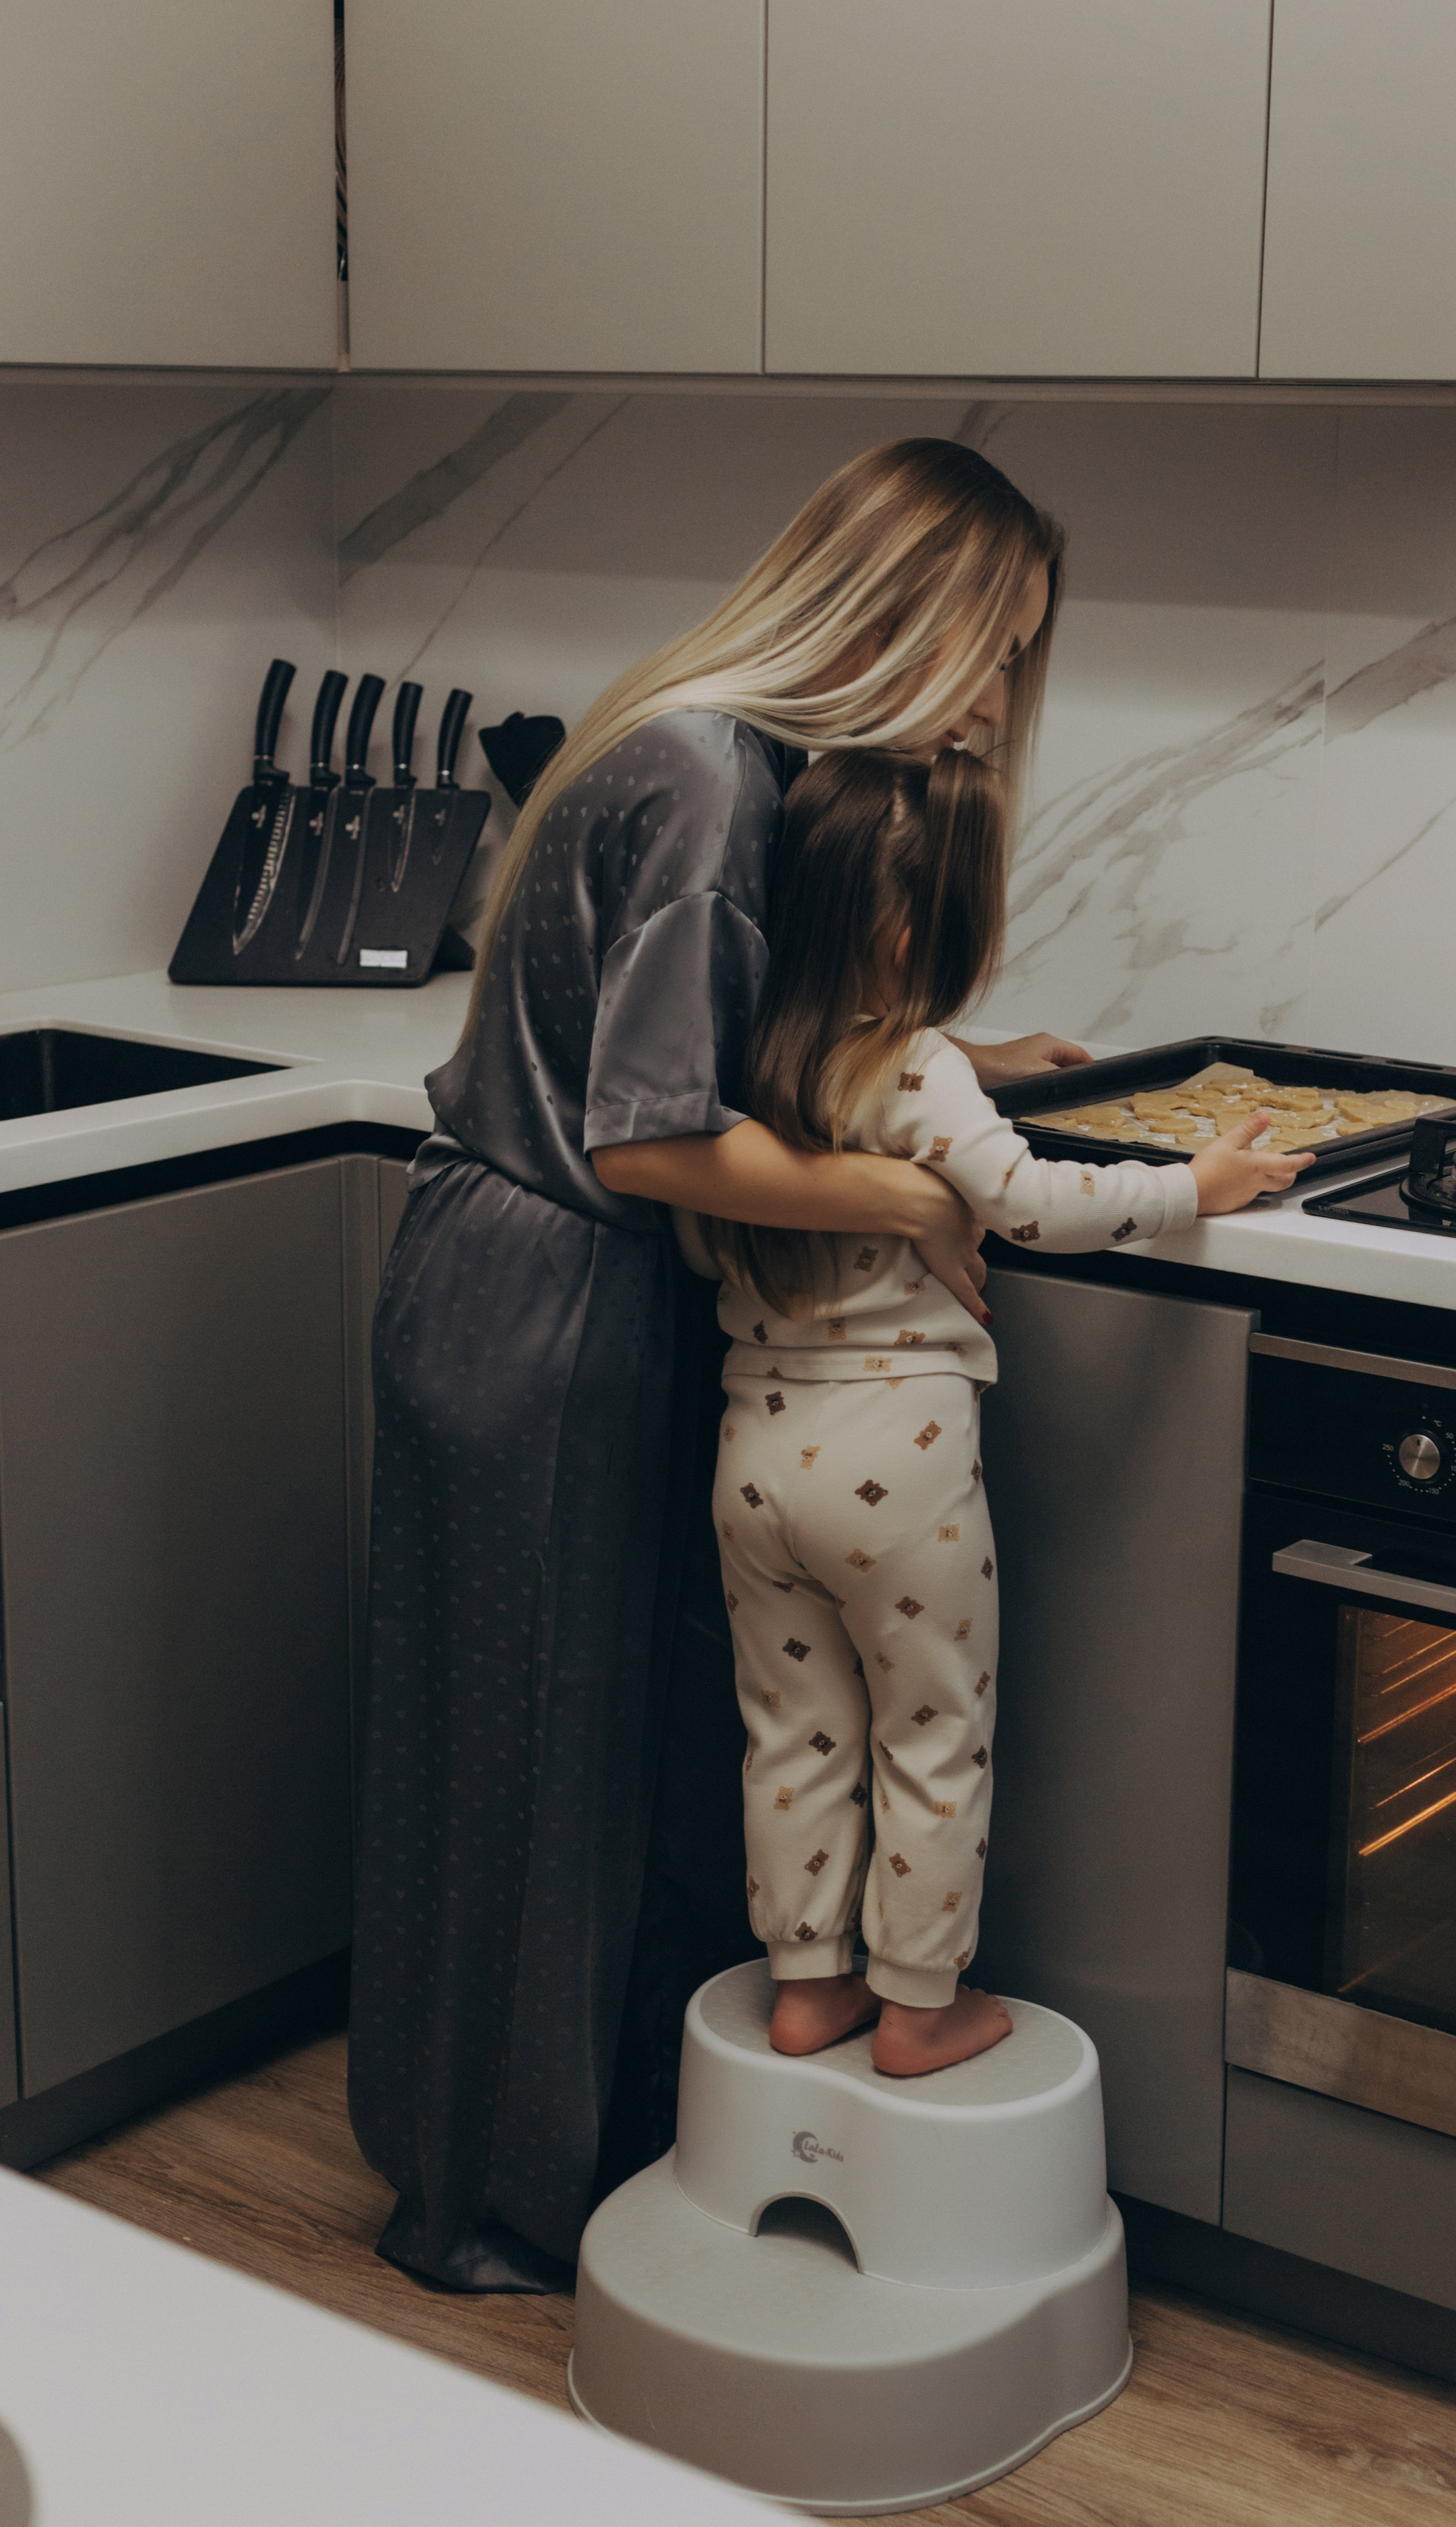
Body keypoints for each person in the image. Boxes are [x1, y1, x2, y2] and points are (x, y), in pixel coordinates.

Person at [348, 438, 1084, 2289]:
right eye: (988, 651)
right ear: (890, 613)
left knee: (547, 1755)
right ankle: (498, 2210)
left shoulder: (720, 750)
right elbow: (653, 1136)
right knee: (544, 1770)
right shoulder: (707, 778)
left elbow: (724, 1046)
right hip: (555, 1304)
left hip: (529, 1288)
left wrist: (957, 1065)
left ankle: (522, 2162)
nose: (994, 703)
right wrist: (910, 1189)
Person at [692, 750, 1311, 2075]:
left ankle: (806, 1985)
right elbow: (1030, 1204)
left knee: (791, 1732)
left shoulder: (739, 1064)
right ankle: (922, 2004)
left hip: (752, 1457)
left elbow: (701, 1232)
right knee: (930, 1734)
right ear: (920, 934)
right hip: (897, 1467)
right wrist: (1191, 1188)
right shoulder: (916, 1065)